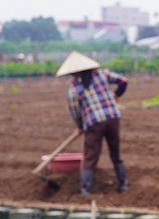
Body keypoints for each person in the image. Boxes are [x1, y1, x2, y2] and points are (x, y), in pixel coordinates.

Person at [55, 52, 129, 196]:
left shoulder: (73, 88)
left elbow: (75, 110)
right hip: (113, 117)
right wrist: (116, 96)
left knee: (90, 157)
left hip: (94, 122)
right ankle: (123, 186)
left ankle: (85, 191)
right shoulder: (103, 74)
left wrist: (80, 126)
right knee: (116, 154)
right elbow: (123, 81)